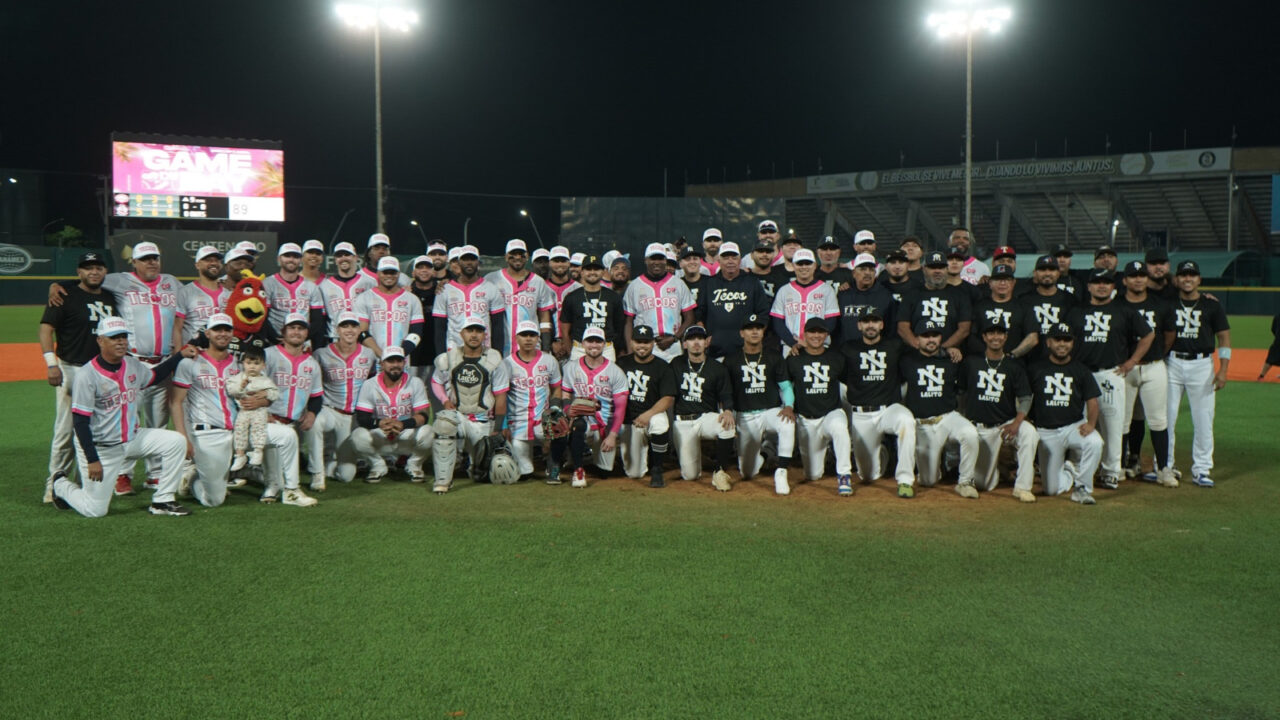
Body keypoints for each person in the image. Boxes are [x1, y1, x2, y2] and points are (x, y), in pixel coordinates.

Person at [48, 240, 181, 495]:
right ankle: (123, 474)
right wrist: (56, 285)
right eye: (145, 258)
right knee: (127, 422)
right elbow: (88, 280)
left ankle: (154, 475)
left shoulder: (172, 282)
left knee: (158, 422)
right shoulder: (119, 280)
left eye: (155, 257)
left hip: (162, 362)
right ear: (135, 262)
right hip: (132, 362)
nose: (151, 262)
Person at [50, 316, 196, 517]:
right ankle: (60, 484)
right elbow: (80, 421)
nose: (120, 342)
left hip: (132, 439)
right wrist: (92, 459)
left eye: (123, 337)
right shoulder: (87, 375)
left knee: (175, 442)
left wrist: (179, 356)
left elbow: (154, 377)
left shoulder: (131, 364)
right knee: (95, 510)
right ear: (100, 341)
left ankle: (163, 500)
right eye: (113, 337)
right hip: (102, 448)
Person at [170, 313, 302, 507]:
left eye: (227, 330)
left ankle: (292, 490)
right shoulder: (190, 362)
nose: (222, 334)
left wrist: (262, 401)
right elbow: (176, 402)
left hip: (241, 428)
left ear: (232, 334)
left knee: (287, 435)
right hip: (209, 434)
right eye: (217, 329)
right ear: (207, 333)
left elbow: (263, 391)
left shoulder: (240, 363)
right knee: (213, 501)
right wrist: (183, 438)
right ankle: (193, 479)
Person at [38, 251, 118, 502]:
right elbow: (46, 329)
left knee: (95, 430)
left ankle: (84, 483)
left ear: (105, 271)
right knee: (66, 430)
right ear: (79, 272)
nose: (94, 272)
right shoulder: (64, 295)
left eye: (98, 267)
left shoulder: (110, 297)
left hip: (101, 372)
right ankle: (55, 485)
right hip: (71, 368)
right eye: (88, 267)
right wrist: (51, 364)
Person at [1068, 269, 1154, 489]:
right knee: (1079, 422)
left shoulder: (1124, 310)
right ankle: (1079, 468)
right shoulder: (1076, 311)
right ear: (1089, 286)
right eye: (1097, 282)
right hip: (1081, 374)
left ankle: (1110, 471)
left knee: (1113, 425)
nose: (1102, 286)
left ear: (1113, 286)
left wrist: (1132, 361)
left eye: (1106, 282)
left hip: (1110, 373)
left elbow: (1148, 334)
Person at [1165, 260, 1231, 488]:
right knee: (1166, 418)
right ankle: (1164, 465)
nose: (1187, 279)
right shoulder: (1168, 303)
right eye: (1183, 275)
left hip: (1202, 365)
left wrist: (1223, 369)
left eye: (1192, 275)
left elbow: (1224, 337)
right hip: (1172, 362)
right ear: (1176, 279)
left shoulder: (1212, 305)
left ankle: (1202, 469)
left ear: (1199, 279)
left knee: (1203, 419)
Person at [839, 307, 916, 495]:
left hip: (888, 409)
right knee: (868, 476)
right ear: (859, 325)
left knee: (906, 421)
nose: (870, 325)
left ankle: (905, 480)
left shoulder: (895, 345)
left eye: (875, 321)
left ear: (881, 325)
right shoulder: (848, 348)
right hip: (861, 414)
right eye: (866, 321)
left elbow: (919, 354)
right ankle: (882, 451)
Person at [899, 320, 981, 498]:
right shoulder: (906, 360)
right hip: (922, 424)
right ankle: (935, 468)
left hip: (947, 417)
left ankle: (965, 481)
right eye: (925, 336)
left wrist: (952, 350)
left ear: (940, 338)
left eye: (934, 335)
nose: (931, 340)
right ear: (917, 339)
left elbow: (962, 388)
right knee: (928, 480)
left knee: (970, 433)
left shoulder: (952, 360)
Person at [960, 318, 1038, 502]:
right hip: (979, 428)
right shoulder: (971, 362)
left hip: (1005, 425)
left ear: (1005, 337)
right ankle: (999, 470)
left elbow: (1026, 398)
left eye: (1000, 333)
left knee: (1030, 433)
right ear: (984, 337)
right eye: (991, 333)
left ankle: (1022, 487)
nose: (996, 337)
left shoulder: (1014, 366)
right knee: (984, 484)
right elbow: (961, 393)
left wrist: (1017, 423)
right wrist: (964, 420)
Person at [430, 321, 510, 493]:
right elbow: (436, 381)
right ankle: (443, 481)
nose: (474, 335)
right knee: (444, 423)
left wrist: (498, 428)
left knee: (487, 473)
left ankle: (473, 466)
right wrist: (445, 400)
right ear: (461, 334)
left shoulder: (494, 358)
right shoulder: (449, 357)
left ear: (485, 335)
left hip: (483, 421)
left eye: (479, 331)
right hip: (459, 417)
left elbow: (501, 395)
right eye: (469, 330)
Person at [1028, 323, 1104, 504]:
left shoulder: (1081, 370)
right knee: (1051, 490)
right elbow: (1024, 398)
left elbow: (1092, 400)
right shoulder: (1035, 369)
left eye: (1067, 340)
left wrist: (1091, 424)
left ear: (1072, 343)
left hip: (1073, 427)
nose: (1062, 344)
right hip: (1046, 431)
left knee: (1095, 442)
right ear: (1048, 342)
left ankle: (1082, 488)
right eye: (1057, 339)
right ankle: (1070, 470)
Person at [1118, 260, 1176, 485]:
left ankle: (1163, 468)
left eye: (1142, 275)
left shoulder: (1160, 305)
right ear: (1125, 280)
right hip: (1124, 368)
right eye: (1133, 276)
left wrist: (1157, 353)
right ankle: (1121, 465)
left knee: (1158, 420)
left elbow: (1169, 335)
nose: (1138, 279)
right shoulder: (1116, 305)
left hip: (1153, 366)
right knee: (1123, 421)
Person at [309, 311, 378, 490]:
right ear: (337, 329)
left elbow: (372, 382)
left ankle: (330, 460)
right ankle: (316, 473)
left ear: (359, 330)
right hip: (329, 409)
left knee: (346, 476)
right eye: (345, 326)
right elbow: (313, 383)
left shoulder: (369, 354)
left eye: (354, 326)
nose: (349, 330)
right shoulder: (321, 354)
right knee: (315, 422)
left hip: (352, 417)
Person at [260, 313, 322, 506]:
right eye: (292, 328)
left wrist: (312, 413)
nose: (296, 332)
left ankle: (279, 486)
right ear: (283, 332)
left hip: (293, 423)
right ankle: (276, 487)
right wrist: (263, 413)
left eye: (301, 328)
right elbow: (253, 385)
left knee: (285, 454)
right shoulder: (268, 354)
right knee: (275, 481)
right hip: (268, 419)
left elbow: (316, 395)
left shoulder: (312, 364)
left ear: (306, 333)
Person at [785, 319, 853, 493]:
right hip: (806, 419)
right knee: (813, 474)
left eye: (820, 332)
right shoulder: (794, 359)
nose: (816, 336)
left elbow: (850, 381)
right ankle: (827, 451)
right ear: (804, 335)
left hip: (831, 413)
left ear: (826, 335)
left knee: (839, 427)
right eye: (812, 332)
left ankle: (844, 476)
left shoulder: (836, 357)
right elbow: (785, 387)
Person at [349, 346, 432, 482]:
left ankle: (414, 465)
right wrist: (379, 423)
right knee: (357, 435)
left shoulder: (415, 382)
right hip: (381, 434)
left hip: (405, 434)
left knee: (428, 432)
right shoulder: (370, 384)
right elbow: (362, 417)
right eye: (390, 361)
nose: (395, 365)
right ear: (382, 364)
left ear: (404, 363)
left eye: (399, 361)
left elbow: (423, 415)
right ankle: (377, 466)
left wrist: (403, 424)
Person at [559, 327, 629, 488]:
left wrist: (612, 435)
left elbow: (620, 407)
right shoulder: (571, 367)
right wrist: (567, 409)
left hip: (605, 423)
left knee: (604, 472)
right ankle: (578, 469)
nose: (594, 345)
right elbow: (566, 394)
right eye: (590, 341)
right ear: (583, 344)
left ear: (604, 344)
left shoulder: (615, 371)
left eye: (598, 341)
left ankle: (587, 456)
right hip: (582, 419)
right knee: (577, 425)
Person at [669, 325, 736, 491]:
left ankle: (719, 471)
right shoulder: (676, 364)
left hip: (705, 417)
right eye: (691, 339)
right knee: (690, 475)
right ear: (684, 344)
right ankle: (699, 458)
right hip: (682, 421)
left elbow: (726, 395)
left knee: (727, 425)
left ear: (707, 342)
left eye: (700, 338)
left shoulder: (717, 368)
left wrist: (728, 410)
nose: (696, 342)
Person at [503, 321, 565, 482]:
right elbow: (502, 395)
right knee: (525, 473)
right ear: (516, 338)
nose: (528, 339)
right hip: (518, 422)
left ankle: (553, 465)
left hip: (542, 419)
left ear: (538, 338)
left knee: (560, 425)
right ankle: (531, 461)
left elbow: (556, 388)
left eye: (532, 335)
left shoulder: (549, 360)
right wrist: (503, 424)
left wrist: (555, 409)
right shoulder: (507, 363)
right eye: (524, 335)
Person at [616, 325, 676, 487]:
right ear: (631, 342)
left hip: (651, 415)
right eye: (638, 341)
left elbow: (668, 398)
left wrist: (648, 414)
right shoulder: (621, 363)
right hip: (629, 421)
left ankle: (657, 468)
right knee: (634, 473)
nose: (642, 346)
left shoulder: (662, 366)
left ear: (653, 343)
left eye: (646, 342)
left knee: (660, 422)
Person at [623, 243, 695, 362]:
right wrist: (630, 351)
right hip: (644, 344)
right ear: (646, 260)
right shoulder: (634, 286)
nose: (657, 262)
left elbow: (690, 317)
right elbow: (628, 321)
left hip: (673, 344)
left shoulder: (679, 284)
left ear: (665, 260)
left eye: (660, 258)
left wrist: (674, 338)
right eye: (653, 258)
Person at [699, 242, 771, 359]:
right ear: (719, 260)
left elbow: (763, 314)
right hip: (715, 349)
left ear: (740, 260)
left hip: (746, 349)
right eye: (726, 258)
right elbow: (699, 314)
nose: (730, 261)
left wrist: (754, 338)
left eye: (734, 257)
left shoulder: (752, 282)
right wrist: (703, 336)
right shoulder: (709, 283)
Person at [898, 251, 972, 363]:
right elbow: (902, 328)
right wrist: (921, 348)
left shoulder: (960, 295)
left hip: (949, 357)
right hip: (917, 358)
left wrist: (941, 349)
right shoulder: (911, 295)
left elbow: (964, 329)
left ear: (947, 269)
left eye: (941, 267)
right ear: (924, 269)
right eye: (932, 267)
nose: (937, 271)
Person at [485, 238, 555, 355]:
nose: (517, 257)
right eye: (513, 254)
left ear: (527, 256)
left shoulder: (538, 281)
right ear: (506, 257)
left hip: (531, 345)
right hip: (500, 345)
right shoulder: (491, 279)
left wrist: (546, 347)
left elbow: (544, 316)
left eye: (521, 254)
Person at [432, 245, 506, 353]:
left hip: (483, 350)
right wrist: (441, 355)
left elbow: (497, 326)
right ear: (459, 262)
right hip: (454, 350)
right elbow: (440, 329)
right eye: (465, 259)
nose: (469, 263)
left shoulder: (491, 288)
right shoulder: (444, 290)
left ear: (478, 262)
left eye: (472, 259)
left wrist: (497, 353)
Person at [354, 256, 426, 360]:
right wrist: (383, 355)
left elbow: (416, 333)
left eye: (393, 272)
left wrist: (399, 355)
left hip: (401, 360)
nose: (389, 276)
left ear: (399, 274)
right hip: (372, 359)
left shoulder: (412, 299)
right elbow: (362, 332)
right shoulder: (364, 298)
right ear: (378, 273)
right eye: (385, 272)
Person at [770, 249, 839, 355]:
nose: (804, 267)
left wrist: (814, 341)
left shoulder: (827, 290)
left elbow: (831, 321)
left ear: (815, 265)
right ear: (793, 266)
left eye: (808, 263)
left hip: (820, 346)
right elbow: (778, 322)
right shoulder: (784, 290)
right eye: (800, 263)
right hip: (790, 347)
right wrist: (793, 342)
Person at [559, 254, 625, 363]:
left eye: (596, 269)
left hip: (606, 348)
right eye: (588, 269)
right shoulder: (572, 297)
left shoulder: (613, 297)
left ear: (603, 272)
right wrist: (570, 350)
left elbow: (619, 327)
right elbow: (565, 330)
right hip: (579, 348)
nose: (592, 272)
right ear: (582, 272)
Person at [967, 264, 1038, 359]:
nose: (1002, 283)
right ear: (990, 283)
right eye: (998, 279)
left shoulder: (1024, 307)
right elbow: (971, 336)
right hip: (983, 360)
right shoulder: (979, 306)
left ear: (1013, 282)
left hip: (1014, 362)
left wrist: (1012, 355)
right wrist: (989, 355)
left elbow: (1032, 337)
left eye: (1007, 279)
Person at [226, 346, 279, 472]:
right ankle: (240, 455)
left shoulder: (265, 381)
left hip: (259, 411)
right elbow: (231, 390)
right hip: (243, 411)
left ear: (263, 365)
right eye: (249, 363)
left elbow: (275, 394)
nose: (252, 367)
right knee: (240, 429)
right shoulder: (239, 378)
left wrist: (266, 394)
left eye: (256, 363)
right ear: (243, 363)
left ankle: (257, 451)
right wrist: (241, 386)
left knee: (258, 428)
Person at [262, 242, 326, 340]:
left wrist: (302, 338)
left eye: (295, 256)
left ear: (300, 260)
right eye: (287, 256)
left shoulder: (311, 286)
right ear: (279, 259)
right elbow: (262, 317)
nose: (291, 259)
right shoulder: (267, 283)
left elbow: (317, 320)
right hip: (274, 340)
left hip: (302, 341)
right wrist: (274, 338)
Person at [318, 241, 378, 342]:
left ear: (355, 257)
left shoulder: (369, 283)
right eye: (339, 255)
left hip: (362, 337)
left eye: (347, 254)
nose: (343, 258)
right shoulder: (324, 286)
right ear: (335, 260)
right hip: (335, 338)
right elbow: (322, 318)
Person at [1021, 255, 1076, 362]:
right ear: (1035, 273)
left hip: (1061, 362)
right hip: (1028, 362)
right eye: (1042, 269)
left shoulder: (1071, 300)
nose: (1047, 273)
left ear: (1058, 273)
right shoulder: (1023, 300)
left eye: (1051, 269)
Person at [835, 252, 896, 345]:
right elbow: (837, 326)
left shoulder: (885, 295)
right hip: (847, 350)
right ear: (854, 273)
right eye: (863, 269)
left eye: (871, 269)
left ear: (875, 273)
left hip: (876, 349)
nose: (867, 273)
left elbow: (891, 328)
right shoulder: (843, 294)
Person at [172, 246, 228, 346]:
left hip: (222, 350)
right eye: (208, 260)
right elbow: (177, 328)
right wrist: (178, 352)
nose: (214, 263)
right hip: (194, 351)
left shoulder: (229, 294)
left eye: (217, 260)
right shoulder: (185, 292)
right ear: (197, 265)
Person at [407, 255, 441, 387]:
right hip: (413, 351)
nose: (424, 270)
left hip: (435, 349)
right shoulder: (406, 293)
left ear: (434, 272)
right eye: (420, 267)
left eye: (428, 267)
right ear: (413, 273)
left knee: (435, 390)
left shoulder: (442, 290)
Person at [544, 245, 581, 362]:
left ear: (569, 263)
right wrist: (550, 343)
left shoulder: (579, 288)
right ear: (550, 263)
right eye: (556, 261)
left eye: (563, 261)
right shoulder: (541, 286)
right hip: (548, 344)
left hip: (574, 344)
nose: (560, 264)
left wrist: (567, 342)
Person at [1261, 312, 1280, 381]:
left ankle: (1261, 376)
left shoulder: (1277, 316)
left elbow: (1273, 329)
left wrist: (1277, 336)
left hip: (1278, 341)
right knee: (1270, 358)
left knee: (1270, 359)